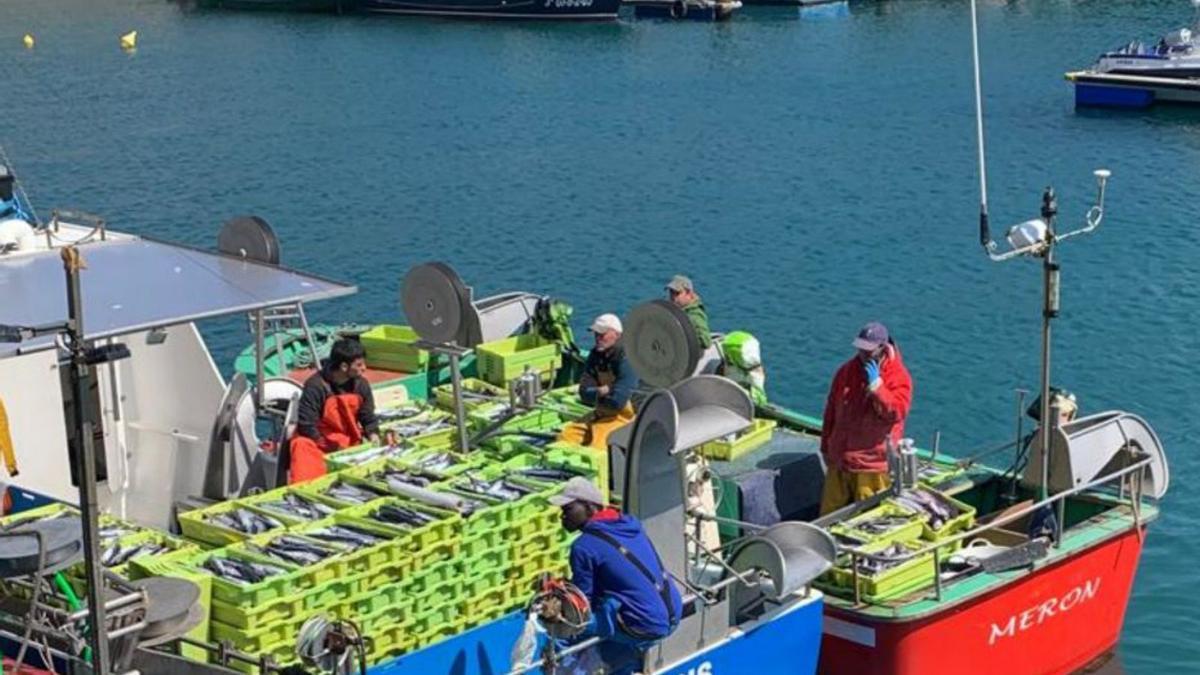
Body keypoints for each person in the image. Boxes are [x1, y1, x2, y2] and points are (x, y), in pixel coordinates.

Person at [550, 477, 682, 675]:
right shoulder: (630, 525)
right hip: (673, 612)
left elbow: (582, 607)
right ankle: (626, 667)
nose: (562, 517)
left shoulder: (583, 547)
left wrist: (556, 608)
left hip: (644, 625)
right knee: (609, 616)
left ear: (588, 506)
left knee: (564, 628)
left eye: (567, 510)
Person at [819, 321, 913, 515]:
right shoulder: (846, 371)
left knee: (867, 518)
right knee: (829, 513)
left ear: (883, 347)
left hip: (871, 465)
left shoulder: (898, 376)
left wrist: (878, 388)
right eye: (861, 349)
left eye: (869, 350)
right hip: (840, 458)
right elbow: (831, 411)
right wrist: (826, 447)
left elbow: (896, 412)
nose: (863, 354)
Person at [288, 339, 380, 483]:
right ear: (344, 366)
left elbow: (367, 416)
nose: (364, 368)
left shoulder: (361, 384)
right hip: (318, 440)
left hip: (346, 437)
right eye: (359, 365)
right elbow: (306, 424)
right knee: (301, 445)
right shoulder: (316, 386)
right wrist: (329, 447)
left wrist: (373, 433)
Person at [558, 314, 637, 450]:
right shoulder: (595, 355)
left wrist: (596, 393)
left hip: (624, 418)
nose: (597, 338)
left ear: (617, 334)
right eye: (596, 334)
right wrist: (604, 390)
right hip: (600, 413)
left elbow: (618, 402)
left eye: (602, 334)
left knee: (598, 447)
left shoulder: (626, 357)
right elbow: (583, 393)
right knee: (566, 436)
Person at [665, 275, 711, 348]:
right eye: (671, 292)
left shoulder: (694, 315)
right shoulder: (675, 310)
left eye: (677, 293)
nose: (673, 297)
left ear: (689, 293)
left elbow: (706, 341)